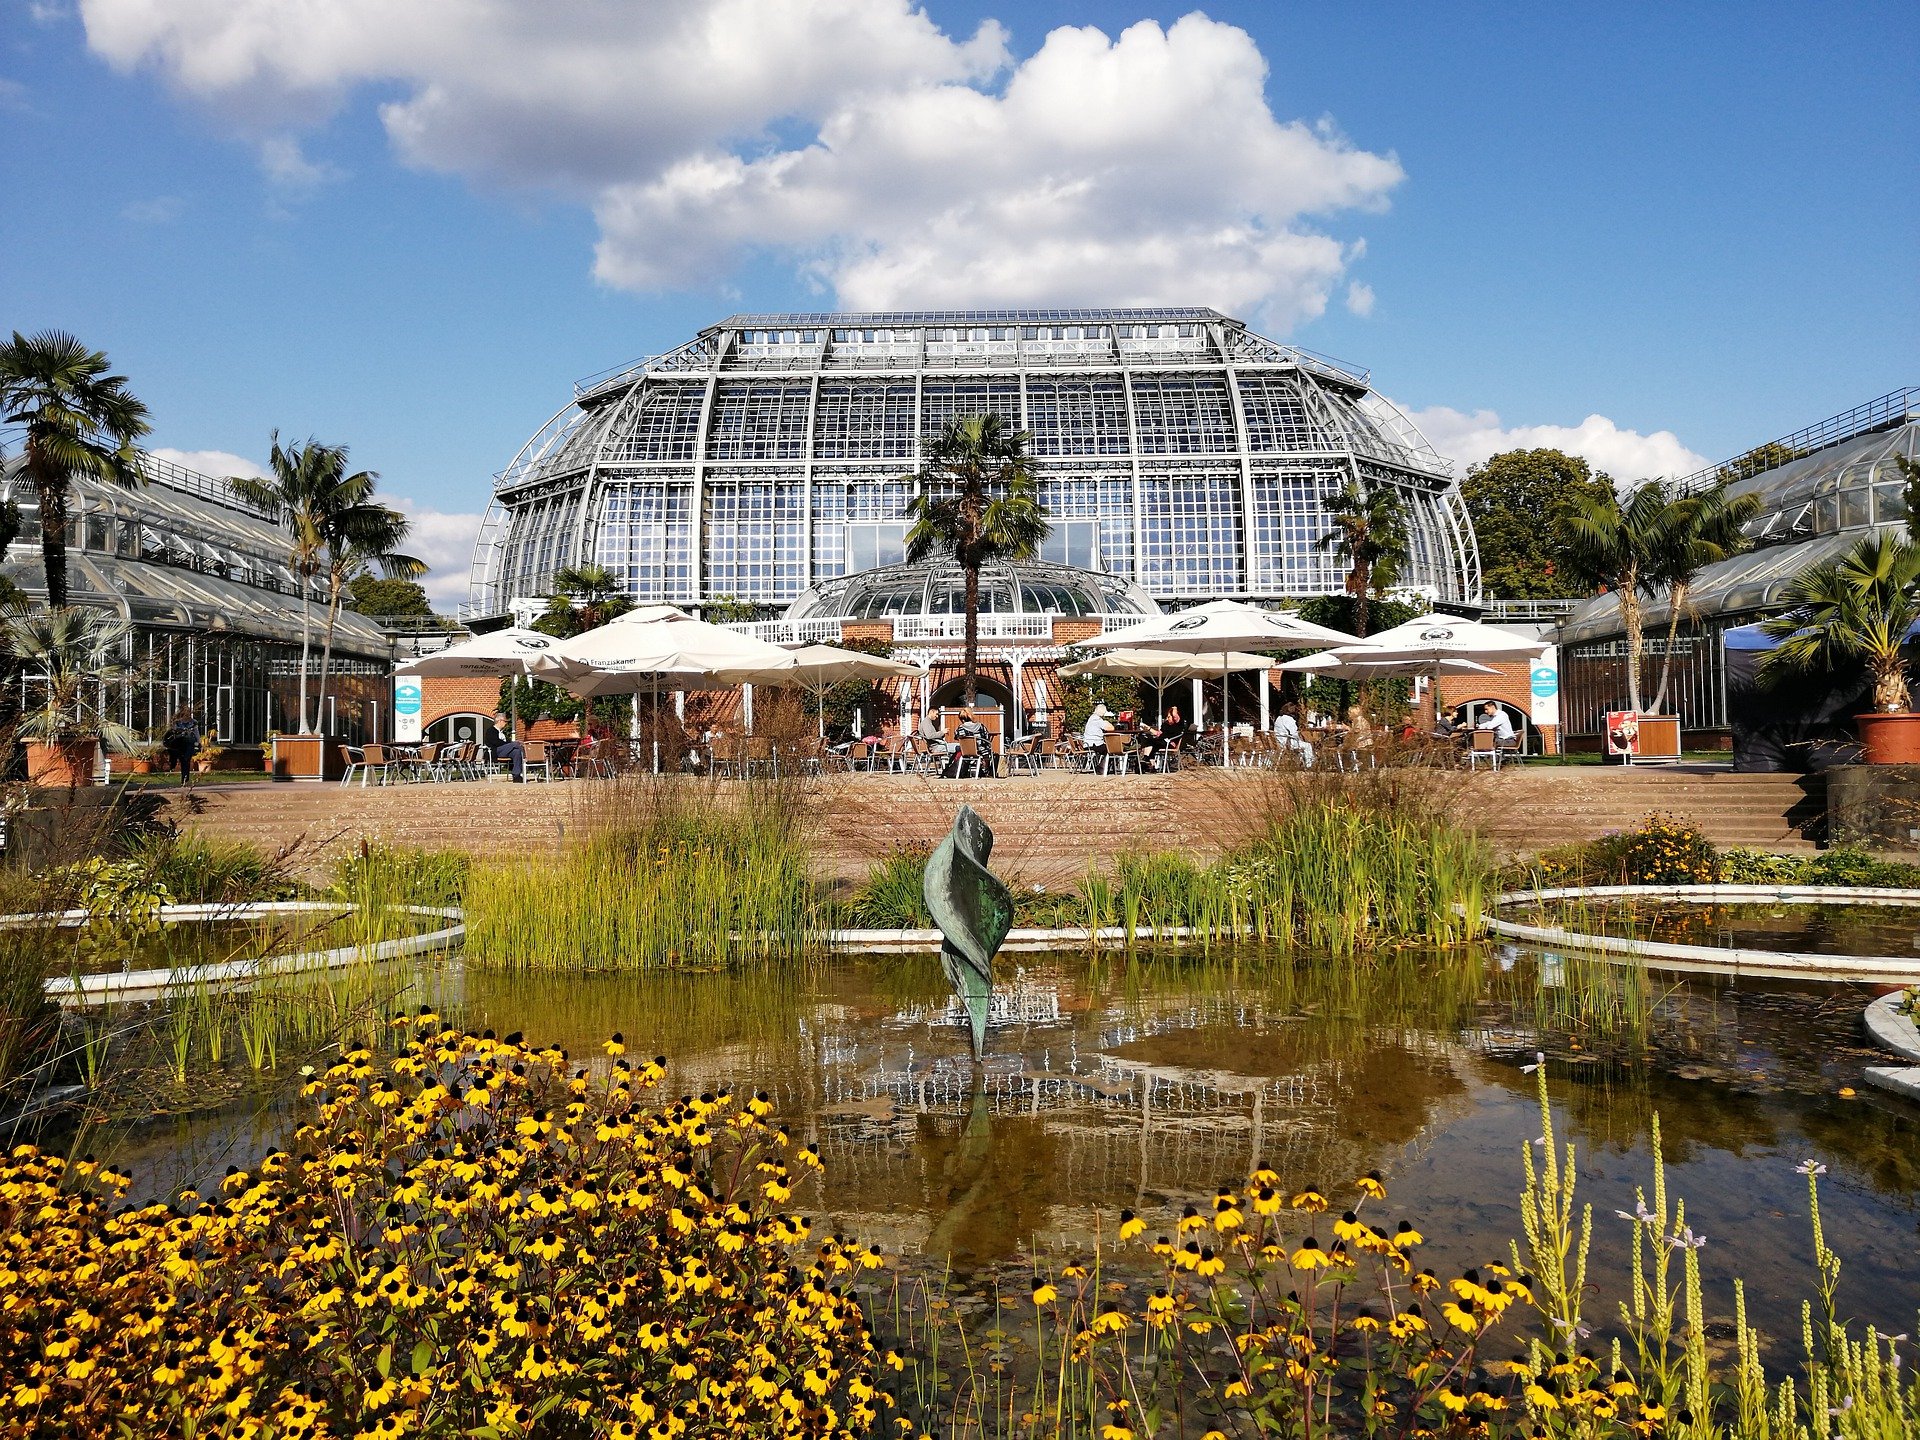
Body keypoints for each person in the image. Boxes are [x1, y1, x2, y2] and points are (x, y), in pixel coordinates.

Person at [162, 705, 201, 788]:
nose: (188, 715)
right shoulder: (177, 722)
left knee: (186, 761)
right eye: (186, 714)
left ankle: (185, 780)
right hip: (179, 744)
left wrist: (198, 743)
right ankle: (172, 765)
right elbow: (172, 733)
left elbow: (196, 734)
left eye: (189, 713)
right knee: (177, 758)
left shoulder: (193, 722)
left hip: (189, 744)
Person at [949, 713, 992, 777]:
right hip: (981, 751)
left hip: (966, 751)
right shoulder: (981, 726)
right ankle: (986, 770)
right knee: (989, 750)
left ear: (962, 720)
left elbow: (956, 737)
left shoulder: (960, 728)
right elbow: (987, 736)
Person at [1272, 700, 1314, 766]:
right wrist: (1300, 737)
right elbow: (1294, 733)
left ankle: (1299, 763)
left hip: (1279, 742)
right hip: (1287, 743)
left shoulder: (1279, 718)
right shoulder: (1288, 719)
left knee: (1302, 744)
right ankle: (1309, 765)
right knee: (1308, 745)